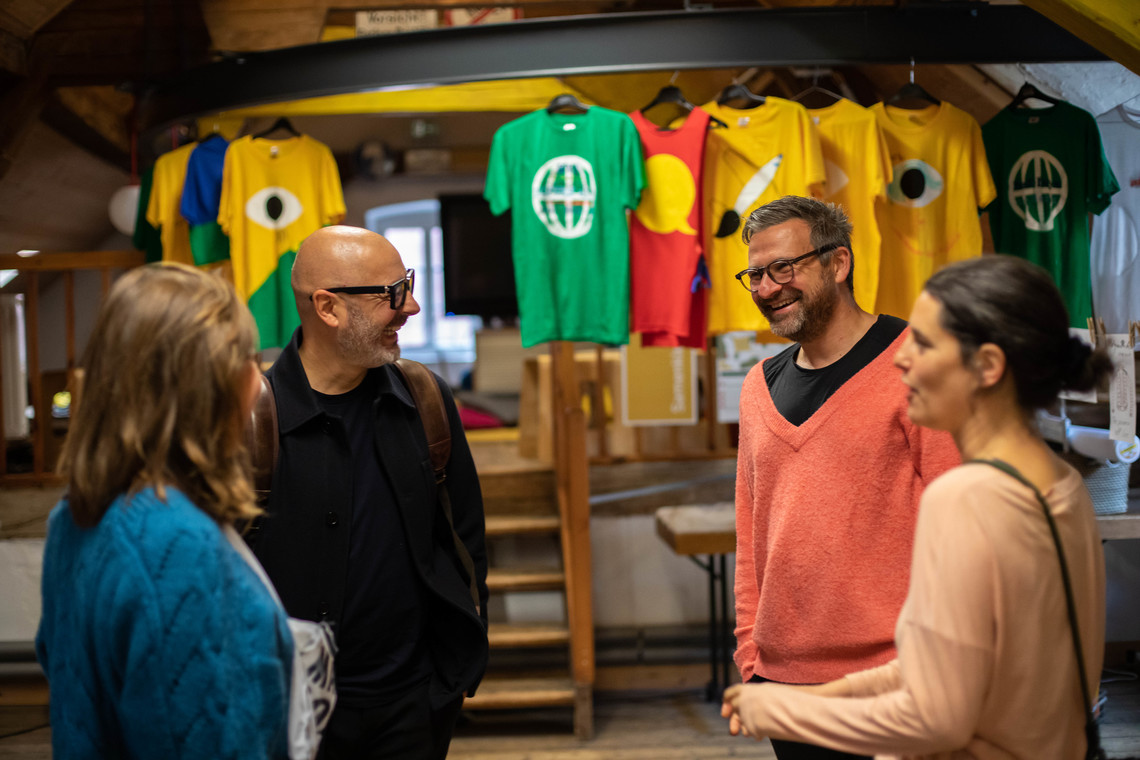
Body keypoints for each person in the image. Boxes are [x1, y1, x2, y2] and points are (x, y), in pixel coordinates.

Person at [722, 254, 1111, 758]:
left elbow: (936, 718)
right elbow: (949, 661)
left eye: (923, 345)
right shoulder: (1060, 483)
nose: (901, 359)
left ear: (987, 366)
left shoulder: (965, 497)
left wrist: (781, 711)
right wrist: (819, 691)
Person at [248, 225, 489, 760]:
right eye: (393, 294)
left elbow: (465, 540)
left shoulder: (425, 399)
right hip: (284, 715)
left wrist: (450, 677)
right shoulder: (248, 420)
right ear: (327, 307)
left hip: (413, 707)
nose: (413, 306)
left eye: (406, 286)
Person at [730, 195, 959, 760]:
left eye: (785, 267)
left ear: (838, 263)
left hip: (896, 677)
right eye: (755, 274)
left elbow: (963, 530)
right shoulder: (757, 386)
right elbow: (749, 535)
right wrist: (751, 657)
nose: (767, 288)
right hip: (787, 684)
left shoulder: (915, 365)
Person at [36, 263, 292, 759]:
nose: (260, 383)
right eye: (248, 360)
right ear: (207, 386)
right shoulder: (176, 545)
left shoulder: (74, 517)